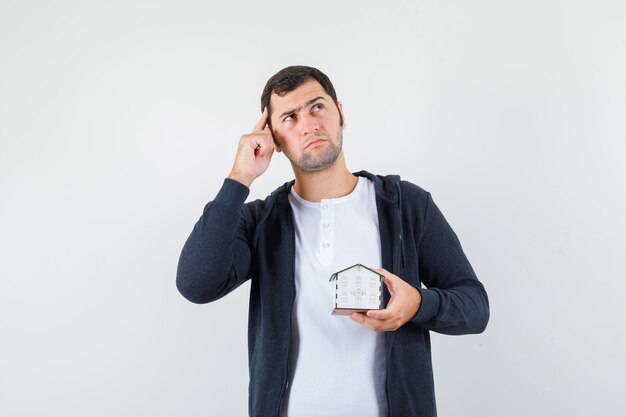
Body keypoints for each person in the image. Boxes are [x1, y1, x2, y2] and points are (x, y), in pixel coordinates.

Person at [176, 65, 489, 417]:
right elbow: (196, 284)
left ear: (341, 113)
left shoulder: (406, 205)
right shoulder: (260, 222)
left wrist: (417, 305)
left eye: (317, 107)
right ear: (274, 140)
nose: (309, 124)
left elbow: (475, 307)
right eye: (290, 118)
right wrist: (239, 178)